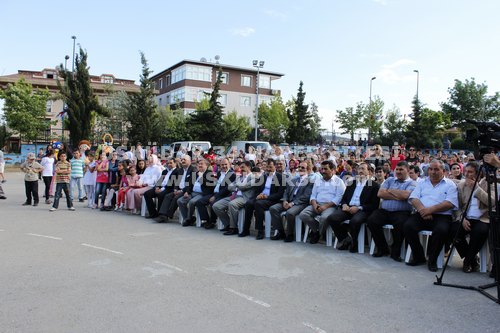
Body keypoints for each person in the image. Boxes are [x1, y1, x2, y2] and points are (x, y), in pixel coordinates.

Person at [404, 159, 459, 272]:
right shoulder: (422, 183)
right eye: (431, 169)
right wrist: (423, 210)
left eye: (436, 169)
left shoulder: (450, 184)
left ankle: (432, 260)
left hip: (442, 216)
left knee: (441, 231)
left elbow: (449, 203)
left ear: (443, 171)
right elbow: (414, 198)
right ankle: (419, 256)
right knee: (408, 226)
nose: (433, 172)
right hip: (422, 213)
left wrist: (430, 210)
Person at [367, 161, 417, 261]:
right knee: (372, 220)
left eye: (401, 169)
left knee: (400, 225)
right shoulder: (390, 180)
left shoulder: (412, 183)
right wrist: (398, 195)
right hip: (385, 211)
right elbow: (380, 194)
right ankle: (383, 248)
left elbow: (406, 196)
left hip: (402, 212)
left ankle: (395, 251)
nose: (398, 172)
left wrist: (389, 191)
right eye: (397, 169)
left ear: (407, 170)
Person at [449, 162, 493, 272]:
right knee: (453, 230)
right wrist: (462, 219)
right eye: (466, 171)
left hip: (482, 218)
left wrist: (476, 188)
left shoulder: (488, 184)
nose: (467, 174)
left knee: (479, 232)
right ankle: (472, 259)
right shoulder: (461, 185)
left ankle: (467, 261)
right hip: (466, 217)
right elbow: (457, 207)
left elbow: (491, 202)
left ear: (478, 173)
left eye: (470, 172)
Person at [326, 162, 380, 252]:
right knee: (332, 218)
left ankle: (354, 243)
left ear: (369, 172)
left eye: (363, 169)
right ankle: (346, 239)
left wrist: (359, 208)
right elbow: (344, 199)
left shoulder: (374, 185)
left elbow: (374, 205)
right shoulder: (351, 183)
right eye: (359, 169)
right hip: (348, 208)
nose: (360, 171)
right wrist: (344, 205)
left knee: (354, 221)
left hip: (362, 210)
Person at [299, 160, 346, 244]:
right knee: (303, 214)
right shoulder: (318, 180)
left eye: (325, 169)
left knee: (324, 218)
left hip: (331, 206)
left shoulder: (339, 181)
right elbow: (313, 195)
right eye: (322, 169)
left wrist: (325, 206)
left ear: (332, 170)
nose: (323, 171)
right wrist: (314, 205)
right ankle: (317, 230)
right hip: (317, 204)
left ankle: (318, 233)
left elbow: (339, 197)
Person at [269, 160, 314, 242]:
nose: (300, 169)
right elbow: (286, 192)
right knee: (273, 208)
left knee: (289, 213)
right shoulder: (294, 180)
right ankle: (281, 232)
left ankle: (290, 234)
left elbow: (306, 197)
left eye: (303, 167)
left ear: (308, 169)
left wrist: (292, 203)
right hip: (288, 201)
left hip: (300, 203)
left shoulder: (310, 181)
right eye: (299, 167)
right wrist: (285, 200)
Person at [241, 159, 285, 239]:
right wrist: (259, 195)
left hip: (272, 200)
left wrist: (266, 197)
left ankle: (260, 230)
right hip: (261, 197)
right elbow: (257, 190)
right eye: (267, 167)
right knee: (249, 203)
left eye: (270, 167)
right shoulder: (263, 176)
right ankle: (246, 229)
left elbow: (280, 194)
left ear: (275, 166)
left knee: (258, 204)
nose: (268, 169)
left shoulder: (281, 177)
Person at [196, 158, 236, 230]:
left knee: (213, 203)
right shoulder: (219, 173)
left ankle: (213, 222)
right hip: (214, 193)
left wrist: (215, 196)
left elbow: (226, 189)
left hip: (224, 195)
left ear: (229, 165)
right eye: (222, 165)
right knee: (199, 202)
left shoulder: (231, 174)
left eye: (225, 164)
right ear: (220, 166)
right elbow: (214, 183)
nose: (224, 166)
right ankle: (206, 220)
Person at [157, 155, 196, 221]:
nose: (183, 161)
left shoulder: (193, 170)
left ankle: (167, 215)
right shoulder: (180, 170)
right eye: (182, 159)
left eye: (184, 160)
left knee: (176, 198)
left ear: (189, 161)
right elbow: (177, 182)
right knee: (168, 196)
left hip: (186, 191)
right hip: (179, 190)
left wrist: (182, 191)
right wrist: (175, 189)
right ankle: (162, 214)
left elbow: (191, 184)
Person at [178, 159, 214, 226]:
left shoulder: (209, 173)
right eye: (199, 164)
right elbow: (190, 184)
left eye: (201, 164)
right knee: (180, 201)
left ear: (206, 165)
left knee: (192, 202)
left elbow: (209, 185)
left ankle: (188, 219)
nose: (199, 165)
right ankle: (189, 218)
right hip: (192, 193)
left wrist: (200, 177)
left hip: (202, 194)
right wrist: (187, 192)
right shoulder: (195, 173)